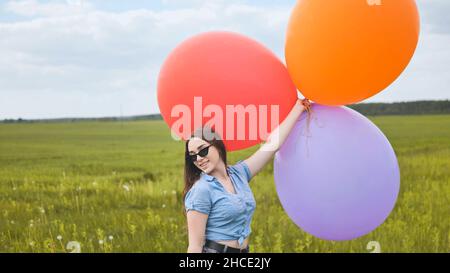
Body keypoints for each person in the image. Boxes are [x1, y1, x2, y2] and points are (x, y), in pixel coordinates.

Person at [184, 98, 311, 253]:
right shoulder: (201, 190)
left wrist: (298, 108)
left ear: (217, 146)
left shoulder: (239, 174)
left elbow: (272, 146)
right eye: (193, 156)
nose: (198, 159)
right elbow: (195, 246)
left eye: (202, 151)